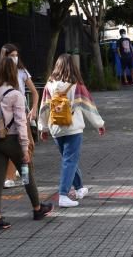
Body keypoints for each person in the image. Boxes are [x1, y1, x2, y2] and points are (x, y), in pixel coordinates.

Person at [0, 56, 52, 231]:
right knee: (26, 173)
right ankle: (37, 208)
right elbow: (20, 124)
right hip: (12, 142)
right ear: (13, 73)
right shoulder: (15, 95)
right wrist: (25, 148)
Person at [38, 54, 106, 208]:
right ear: (73, 66)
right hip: (73, 129)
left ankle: (80, 188)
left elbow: (44, 107)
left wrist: (43, 128)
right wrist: (99, 124)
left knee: (69, 159)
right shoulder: (77, 85)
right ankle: (63, 195)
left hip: (56, 128)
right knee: (70, 160)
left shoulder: (49, 84)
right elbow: (88, 106)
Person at [0, 44, 39, 189]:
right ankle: (10, 177)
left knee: (29, 144)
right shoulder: (0, 74)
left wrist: (34, 110)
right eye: (11, 56)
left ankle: (23, 174)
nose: (14, 59)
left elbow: (34, 92)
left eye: (16, 56)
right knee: (14, 145)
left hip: (21, 113)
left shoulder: (22, 72)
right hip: (8, 115)